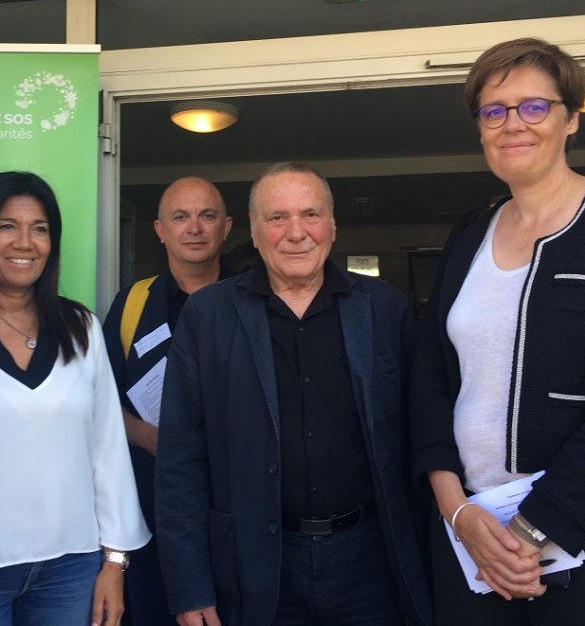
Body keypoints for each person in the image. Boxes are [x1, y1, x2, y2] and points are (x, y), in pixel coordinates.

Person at [409, 37, 585, 626]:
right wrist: (456, 511)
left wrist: (532, 528)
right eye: (494, 110)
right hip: (475, 545)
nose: (513, 124)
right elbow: (431, 380)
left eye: (534, 106)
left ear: (572, 120)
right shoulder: (470, 234)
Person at [155, 161, 433, 626]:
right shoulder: (208, 316)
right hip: (255, 562)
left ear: (333, 226)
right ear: (254, 230)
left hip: (369, 559)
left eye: (310, 214)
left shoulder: (383, 307)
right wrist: (189, 586)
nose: (296, 232)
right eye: (277, 217)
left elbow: (419, 429)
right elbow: (180, 460)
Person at [0, 171, 150, 626]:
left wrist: (114, 562)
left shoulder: (81, 327)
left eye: (39, 229)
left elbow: (108, 447)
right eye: (7, 226)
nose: (26, 242)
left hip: (72, 567)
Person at [102, 176, 232, 625]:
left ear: (227, 227)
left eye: (206, 216)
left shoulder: (256, 299)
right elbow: (100, 407)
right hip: (150, 516)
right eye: (181, 217)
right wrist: (151, 437)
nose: (194, 227)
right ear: (160, 230)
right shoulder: (133, 304)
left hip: (236, 515)